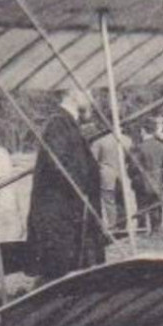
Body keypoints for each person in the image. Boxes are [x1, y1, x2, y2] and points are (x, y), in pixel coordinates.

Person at [24, 88, 105, 282]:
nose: (92, 100)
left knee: (71, 269)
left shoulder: (69, 124)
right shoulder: (58, 124)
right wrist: (83, 187)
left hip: (69, 213)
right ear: (74, 94)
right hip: (58, 215)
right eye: (90, 93)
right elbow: (59, 166)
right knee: (58, 272)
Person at [91, 119, 134, 231]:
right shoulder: (128, 141)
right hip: (122, 173)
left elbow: (93, 160)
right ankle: (122, 223)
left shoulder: (100, 141)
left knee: (109, 200)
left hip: (106, 174)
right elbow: (131, 159)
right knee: (121, 199)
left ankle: (112, 224)